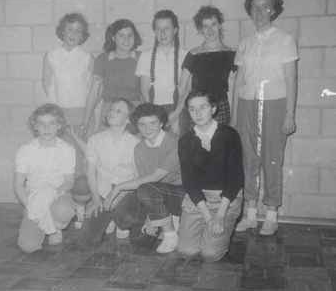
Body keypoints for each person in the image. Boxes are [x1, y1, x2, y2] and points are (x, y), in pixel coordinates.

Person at [231, 0, 298, 236]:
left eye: (265, 6)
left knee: (272, 158)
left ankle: (271, 215)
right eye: (254, 7)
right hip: (248, 104)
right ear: (249, 11)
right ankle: (250, 214)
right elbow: (238, 83)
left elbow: (291, 80)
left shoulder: (285, 40)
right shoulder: (245, 43)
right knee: (248, 158)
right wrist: (236, 115)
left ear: (273, 10)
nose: (259, 12)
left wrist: (290, 114)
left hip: (275, 103)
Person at [104, 103, 184, 253]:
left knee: (147, 190)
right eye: (142, 124)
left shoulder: (175, 142)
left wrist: (119, 188)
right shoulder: (139, 148)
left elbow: (156, 177)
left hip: (179, 195)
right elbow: (144, 181)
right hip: (153, 194)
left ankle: (170, 233)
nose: (147, 129)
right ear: (137, 126)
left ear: (161, 123)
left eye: (153, 123)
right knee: (131, 231)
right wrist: (151, 214)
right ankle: (161, 220)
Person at [177, 91, 244, 261]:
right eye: (192, 109)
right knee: (187, 251)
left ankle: (220, 235)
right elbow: (189, 182)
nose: (197, 113)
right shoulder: (185, 141)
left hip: (225, 199)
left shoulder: (229, 135)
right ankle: (205, 231)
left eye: (203, 107)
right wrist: (208, 217)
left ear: (213, 109)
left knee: (210, 254)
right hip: (198, 200)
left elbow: (235, 178)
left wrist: (220, 216)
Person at [14, 104, 77, 253]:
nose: (46, 128)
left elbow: (69, 181)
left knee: (63, 210)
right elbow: (18, 185)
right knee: (28, 246)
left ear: (59, 125)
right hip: (34, 198)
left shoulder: (67, 149)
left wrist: (53, 194)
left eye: (51, 123)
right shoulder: (25, 150)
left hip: (58, 195)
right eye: (41, 124)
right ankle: (47, 225)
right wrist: (32, 207)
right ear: (35, 126)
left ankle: (55, 227)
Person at [171, 5, 237, 135]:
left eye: (213, 24)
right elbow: (183, 88)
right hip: (197, 109)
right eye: (205, 26)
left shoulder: (231, 54)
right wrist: (176, 114)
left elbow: (234, 89)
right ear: (200, 29)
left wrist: (234, 118)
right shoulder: (193, 54)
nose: (210, 30)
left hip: (220, 108)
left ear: (219, 25)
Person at [42, 12, 93, 173]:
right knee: (58, 155)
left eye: (78, 31)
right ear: (62, 32)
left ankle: (78, 193)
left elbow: (91, 88)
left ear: (83, 35)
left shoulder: (87, 57)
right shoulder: (51, 55)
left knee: (78, 156)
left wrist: (86, 116)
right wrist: (54, 113)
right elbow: (46, 84)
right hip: (58, 112)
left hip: (80, 112)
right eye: (70, 29)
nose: (73, 34)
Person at [83, 98, 140, 238]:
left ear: (128, 119)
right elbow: (90, 173)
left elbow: (138, 177)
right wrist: (96, 200)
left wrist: (116, 198)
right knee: (89, 238)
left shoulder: (135, 143)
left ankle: (119, 219)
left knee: (127, 219)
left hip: (125, 193)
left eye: (118, 111)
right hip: (102, 193)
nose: (112, 113)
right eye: (111, 109)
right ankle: (109, 217)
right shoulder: (95, 140)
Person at [84, 19, 142, 134]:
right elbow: (95, 91)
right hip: (110, 110)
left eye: (130, 35)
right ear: (113, 38)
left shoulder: (141, 58)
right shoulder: (103, 59)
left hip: (134, 111)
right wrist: (86, 120)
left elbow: (146, 91)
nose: (126, 39)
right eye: (121, 35)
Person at [135, 10, 186, 132]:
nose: (162, 33)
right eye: (158, 29)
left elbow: (187, 90)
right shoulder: (146, 56)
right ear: (154, 31)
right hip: (154, 110)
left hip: (179, 110)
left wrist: (176, 115)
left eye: (166, 29)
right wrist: (154, 117)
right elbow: (144, 90)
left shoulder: (185, 55)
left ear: (175, 30)